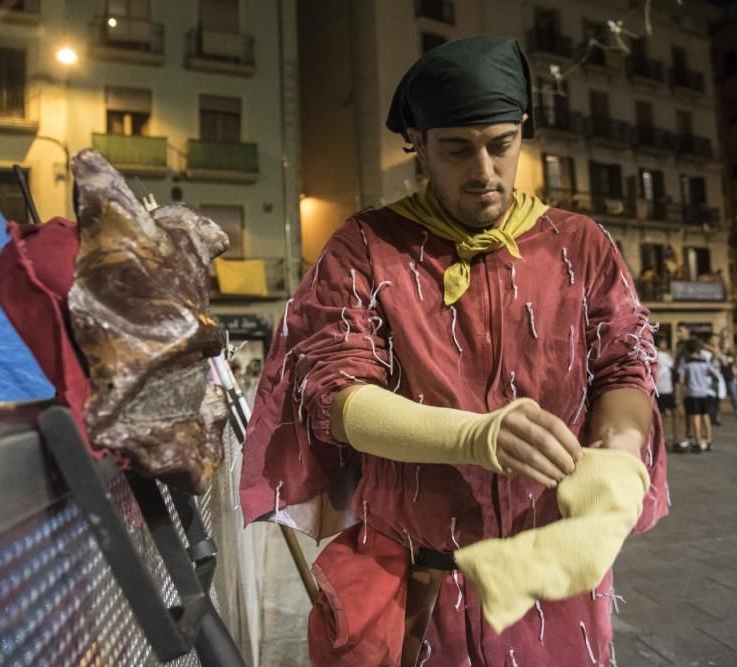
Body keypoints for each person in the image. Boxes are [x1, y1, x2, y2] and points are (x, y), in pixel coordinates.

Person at [239, 37, 667, 666]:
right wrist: (472, 436)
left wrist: (620, 450)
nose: (484, 172)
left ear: (523, 131)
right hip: (417, 585)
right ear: (417, 142)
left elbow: (625, 362)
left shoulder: (581, 244)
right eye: (457, 149)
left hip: (548, 595)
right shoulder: (365, 248)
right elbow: (332, 396)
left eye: (501, 145)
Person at [678, 340, 713, 452]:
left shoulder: (686, 362)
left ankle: (697, 442)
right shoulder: (704, 361)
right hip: (704, 392)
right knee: (706, 416)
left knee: (695, 417)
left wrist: (688, 383)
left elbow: (681, 380)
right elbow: (713, 373)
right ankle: (709, 441)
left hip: (692, 393)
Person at [655, 335, 680, 447]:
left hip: (660, 388)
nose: (665, 344)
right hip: (665, 389)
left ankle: (662, 440)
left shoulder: (654, 354)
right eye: (663, 342)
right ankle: (675, 439)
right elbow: (673, 366)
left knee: (662, 416)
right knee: (673, 414)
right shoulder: (663, 355)